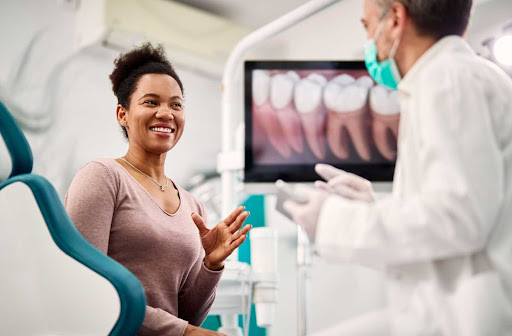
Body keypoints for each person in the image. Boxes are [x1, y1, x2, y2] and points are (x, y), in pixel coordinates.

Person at [284, 0, 512, 335]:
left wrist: (335, 220)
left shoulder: (446, 79)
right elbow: (451, 222)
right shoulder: (457, 78)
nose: (368, 43)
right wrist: (373, 207)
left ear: (394, 19)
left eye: (366, 26)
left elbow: (458, 219)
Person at [65, 43, 251, 336]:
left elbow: (186, 315)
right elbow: (88, 290)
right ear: (122, 114)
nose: (166, 113)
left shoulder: (193, 206)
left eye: (175, 104)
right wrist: (187, 333)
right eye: (151, 102)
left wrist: (211, 265)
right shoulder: (103, 177)